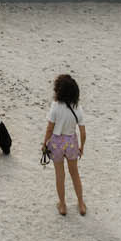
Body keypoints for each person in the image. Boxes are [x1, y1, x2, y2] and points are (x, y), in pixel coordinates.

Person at [41, 73, 87, 217]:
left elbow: (50, 128)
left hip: (56, 143)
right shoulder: (77, 108)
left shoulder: (55, 106)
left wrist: (44, 143)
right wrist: (82, 147)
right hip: (71, 142)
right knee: (75, 174)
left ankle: (62, 205)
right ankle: (80, 204)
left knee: (60, 175)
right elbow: (83, 132)